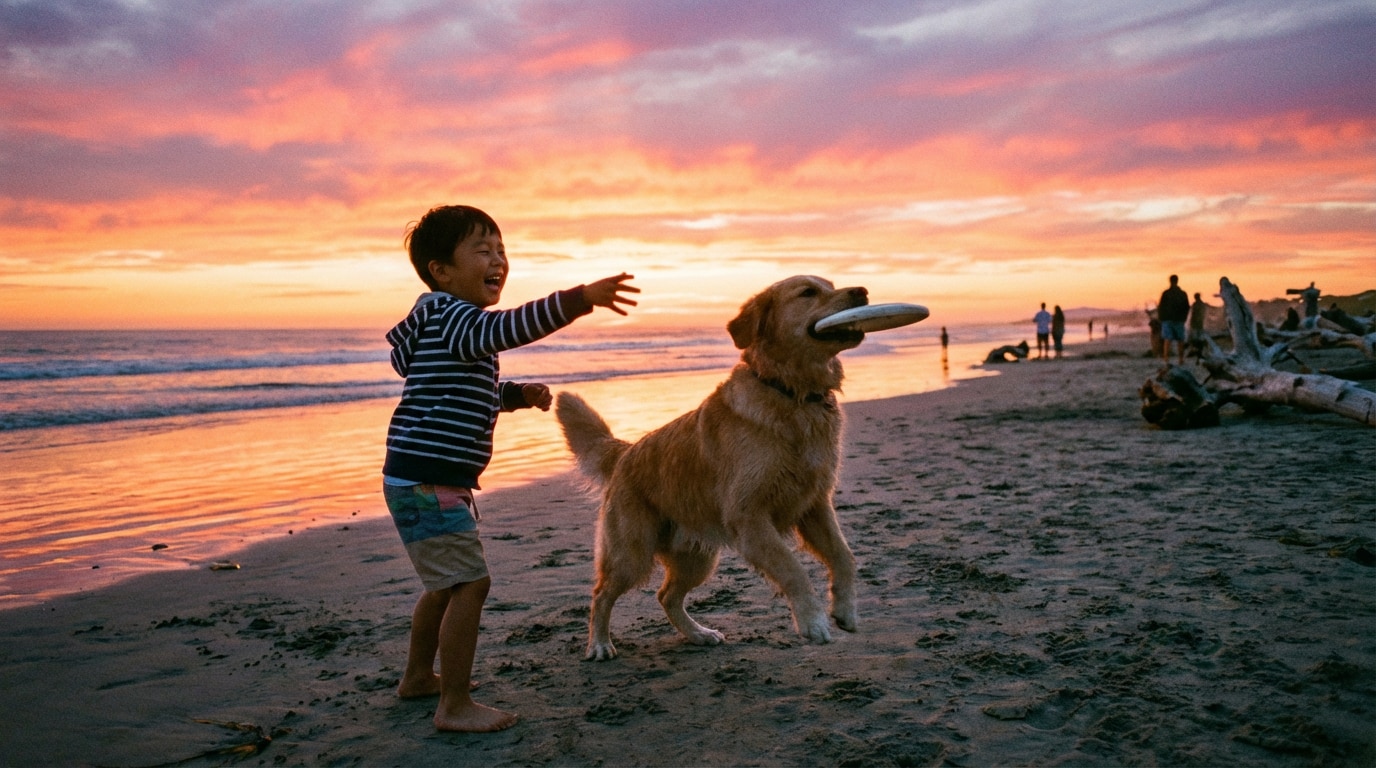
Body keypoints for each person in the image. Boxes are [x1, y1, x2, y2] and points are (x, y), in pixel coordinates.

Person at [382, 204, 639, 732]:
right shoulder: (455, 317)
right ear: (441, 270)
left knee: (444, 586)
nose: (498, 258)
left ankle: (416, 678)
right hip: (429, 481)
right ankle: (453, 704)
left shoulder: (440, 326)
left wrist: (515, 395)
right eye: (483, 249)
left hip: (420, 478)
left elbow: (459, 391)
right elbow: (509, 328)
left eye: (502, 249)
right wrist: (579, 299)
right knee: (470, 586)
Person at [1157, 274, 1190, 365]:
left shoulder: (1166, 293)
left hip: (1167, 319)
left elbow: (1161, 307)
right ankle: (1181, 359)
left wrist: (1161, 318)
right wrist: (1184, 318)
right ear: (1177, 281)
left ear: (1170, 281)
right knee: (1180, 340)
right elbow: (1186, 307)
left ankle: (1166, 359)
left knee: (1167, 340)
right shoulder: (1182, 294)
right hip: (1179, 319)